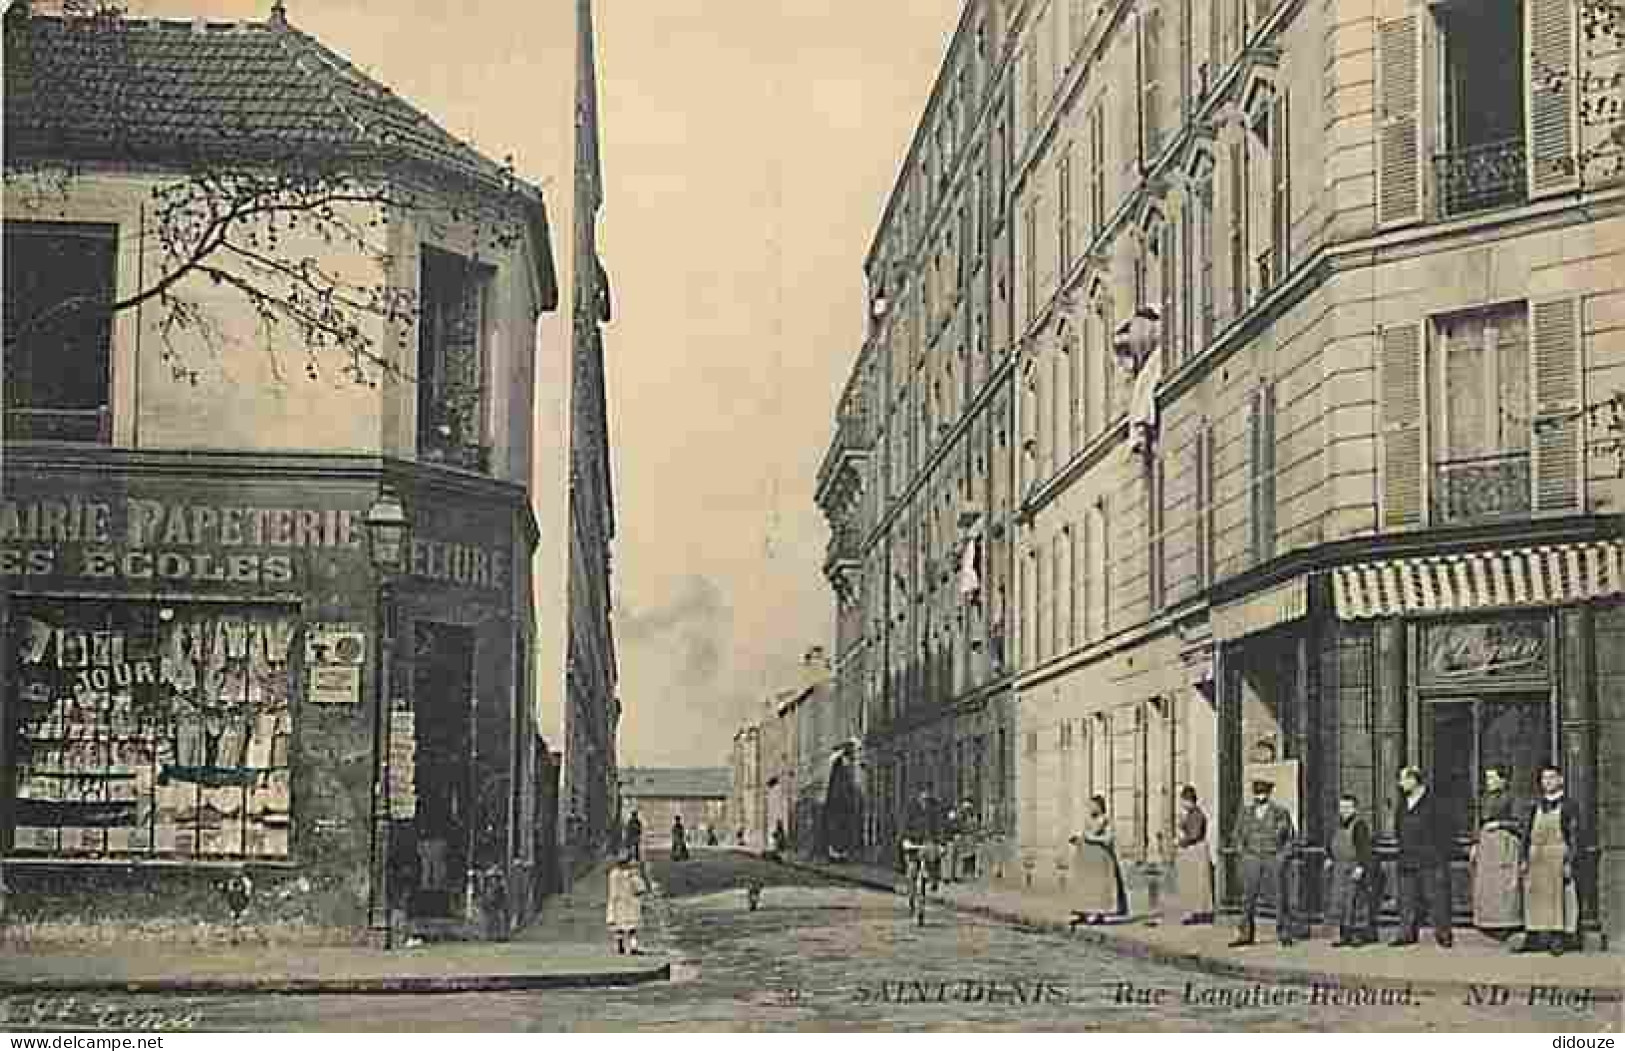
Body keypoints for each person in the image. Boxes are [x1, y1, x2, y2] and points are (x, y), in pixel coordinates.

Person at [1518, 765, 1583, 955]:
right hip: (1536, 855)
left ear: (1560, 780)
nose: (1547, 782)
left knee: (1558, 899)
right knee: (1534, 897)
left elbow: (1574, 836)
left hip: (1557, 855)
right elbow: (1526, 834)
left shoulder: (1569, 806)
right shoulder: (1535, 805)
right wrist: (1523, 858)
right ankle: (1534, 936)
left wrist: (1569, 861)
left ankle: (1558, 938)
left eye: (1551, 778)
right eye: (1544, 779)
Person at [1229, 779, 1296, 947]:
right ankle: (1245, 934)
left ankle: (1284, 932)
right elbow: (1237, 835)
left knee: (1280, 897)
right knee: (1248, 898)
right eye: (1257, 793)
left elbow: (1291, 838)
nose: (1260, 796)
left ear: (1269, 794)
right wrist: (1242, 854)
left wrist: (1282, 856)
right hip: (1252, 858)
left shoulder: (1280, 813)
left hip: (1272, 858)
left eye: (1263, 793)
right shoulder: (1245, 813)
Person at [1392, 766, 1453, 948]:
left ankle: (1443, 934)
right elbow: (1398, 828)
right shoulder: (1403, 803)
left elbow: (1444, 831)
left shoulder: (1434, 802)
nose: (1399, 783)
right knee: (1407, 899)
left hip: (1430, 859)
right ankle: (1406, 933)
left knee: (1435, 898)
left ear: (1414, 780)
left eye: (1402, 779)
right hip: (1406, 858)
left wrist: (1438, 855)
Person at [1471, 766, 1523, 940]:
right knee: (1488, 884)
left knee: (1504, 884)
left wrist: (1501, 824)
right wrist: (1475, 843)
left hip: (1505, 844)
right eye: (1487, 778)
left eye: (1492, 778)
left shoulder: (1513, 799)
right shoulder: (1485, 798)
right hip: (1487, 845)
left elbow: (1520, 823)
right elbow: (1478, 822)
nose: (1489, 782)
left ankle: (1506, 924)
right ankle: (1488, 922)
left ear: (1503, 780)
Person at [1324, 793, 1377, 946]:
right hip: (1338, 869)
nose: (1344, 810)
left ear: (1355, 809)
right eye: (1342, 807)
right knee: (1339, 902)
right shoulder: (1336, 825)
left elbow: (1365, 849)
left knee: (1355, 902)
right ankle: (1343, 934)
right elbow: (1330, 844)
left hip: (1353, 868)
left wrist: (1361, 867)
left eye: (1348, 807)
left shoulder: (1360, 826)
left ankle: (1358, 935)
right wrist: (1329, 857)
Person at [1070, 795, 1128, 926]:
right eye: (1089, 806)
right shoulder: (1089, 820)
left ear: (1099, 806)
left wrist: (1091, 838)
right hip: (1087, 859)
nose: (1090, 808)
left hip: (1101, 860)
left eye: (1092, 805)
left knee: (1099, 888)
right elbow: (1085, 834)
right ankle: (1084, 912)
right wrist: (1078, 839)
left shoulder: (1106, 820)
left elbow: (1108, 839)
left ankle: (1097, 913)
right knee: (1086, 886)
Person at [1171, 785, 1214, 925]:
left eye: (1184, 801)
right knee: (1189, 883)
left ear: (1189, 800)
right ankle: (1193, 912)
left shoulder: (1197, 814)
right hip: (1191, 852)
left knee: (1196, 884)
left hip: (1196, 851)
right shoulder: (1190, 814)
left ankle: (1198, 913)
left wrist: (1181, 841)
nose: (1182, 804)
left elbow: (1194, 835)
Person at [605, 851, 650, 955]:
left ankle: (621, 947)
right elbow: (640, 888)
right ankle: (632, 947)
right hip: (629, 904)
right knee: (631, 928)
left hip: (619, 904)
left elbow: (613, 891)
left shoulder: (613, 874)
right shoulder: (632, 874)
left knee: (619, 927)